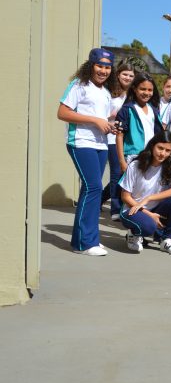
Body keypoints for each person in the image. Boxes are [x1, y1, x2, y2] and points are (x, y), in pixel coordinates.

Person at [58, 48, 116, 255]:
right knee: (93, 188)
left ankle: (85, 239)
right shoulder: (79, 85)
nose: (103, 70)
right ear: (91, 65)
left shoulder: (106, 92)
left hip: (100, 144)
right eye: (100, 66)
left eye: (108, 67)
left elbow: (101, 119)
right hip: (80, 143)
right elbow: (62, 112)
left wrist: (110, 124)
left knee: (91, 190)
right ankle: (84, 243)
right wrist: (95, 120)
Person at [119, 131, 171, 254]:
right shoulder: (135, 165)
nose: (163, 153)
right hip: (132, 209)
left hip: (155, 208)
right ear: (152, 145)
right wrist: (148, 214)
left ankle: (167, 239)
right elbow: (125, 196)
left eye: (167, 150)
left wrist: (149, 198)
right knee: (148, 226)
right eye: (160, 148)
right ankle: (133, 234)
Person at [101, 61, 134, 221]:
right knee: (116, 172)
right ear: (118, 75)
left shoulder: (133, 94)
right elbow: (100, 115)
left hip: (127, 139)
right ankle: (115, 209)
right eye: (124, 74)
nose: (127, 77)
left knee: (122, 174)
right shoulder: (109, 92)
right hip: (111, 137)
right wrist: (111, 117)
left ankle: (101, 198)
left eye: (131, 75)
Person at [115, 72, 163, 174]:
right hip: (133, 157)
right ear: (134, 89)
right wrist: (122, 162)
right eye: (143, 89)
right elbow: (119, 136)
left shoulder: (154, 110)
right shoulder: (126, 110)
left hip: (151, 157)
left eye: (150, 90)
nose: (146, 93)